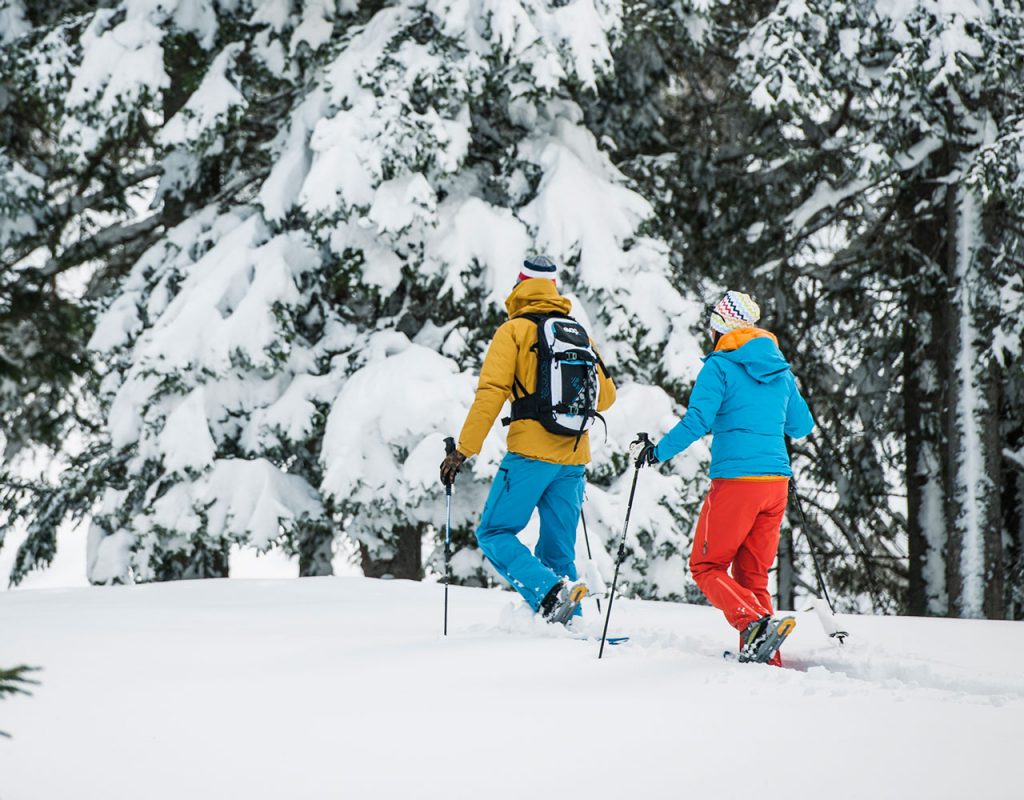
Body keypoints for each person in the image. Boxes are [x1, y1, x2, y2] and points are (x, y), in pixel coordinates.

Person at [631, 290, 814, 664]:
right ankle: (767, 659)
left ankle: (754, 623)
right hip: (776, 484)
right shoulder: (780, 371)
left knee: (706, 566)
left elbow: (696, 421)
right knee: (752, 576)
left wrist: (655, 453)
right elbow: (801, 426)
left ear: (719, 328)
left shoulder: (719, 366)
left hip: (737, 482)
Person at [439, 255, 617, 625]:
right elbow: (607, 396)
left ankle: (550, 595)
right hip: (573, 458)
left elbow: (491, 393)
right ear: (553, 288)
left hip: (530, 455)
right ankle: (572, 620)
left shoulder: (514, 331)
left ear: (520, 285)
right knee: (558, 552)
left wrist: (463, 451)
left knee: (493, 532)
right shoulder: (576, 331)